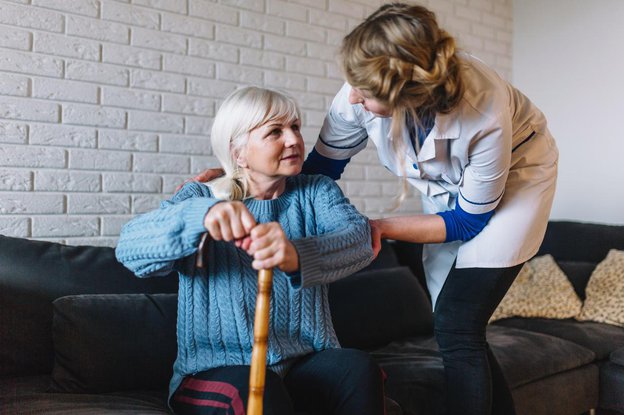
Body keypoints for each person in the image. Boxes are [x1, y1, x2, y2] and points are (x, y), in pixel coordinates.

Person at [187, 4, 558, 415]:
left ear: (405, 98)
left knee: (456, 322)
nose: (352, 97)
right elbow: (319, 171)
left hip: (518, 178)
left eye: (365, 94)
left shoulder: (483, 112)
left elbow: (467, 221)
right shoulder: (356, 91)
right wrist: (237, 175)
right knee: (456, 326)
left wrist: (378, 225)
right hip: (449, 191)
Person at [115, 86, 386, 415]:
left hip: (303, 363)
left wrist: (297, 255)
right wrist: (200, 216)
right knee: (255, 390)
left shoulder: (316, 191)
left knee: (357, 368)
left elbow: (359, 239)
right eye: (275, 131)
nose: (293, 140)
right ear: (238, 152)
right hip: (215, 371)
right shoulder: (201, 196)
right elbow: (129, 249)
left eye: (295, 127)